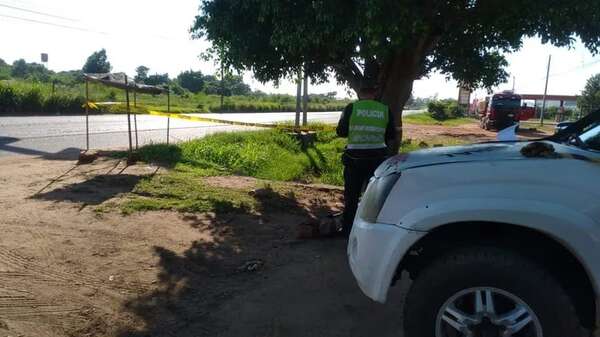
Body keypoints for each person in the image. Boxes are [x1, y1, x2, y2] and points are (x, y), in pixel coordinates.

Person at [336, 86, 397, 236]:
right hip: (377, 160)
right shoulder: (385, 109)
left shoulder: (351, 108)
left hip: (354, 159)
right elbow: (391, 136)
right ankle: (373, 232)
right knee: (375, 196)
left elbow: (341, 132)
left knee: (351, 196)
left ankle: (348, 230)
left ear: (359, 93)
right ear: (375, 93)